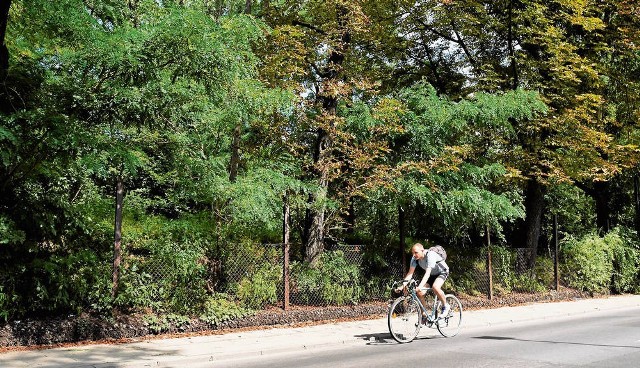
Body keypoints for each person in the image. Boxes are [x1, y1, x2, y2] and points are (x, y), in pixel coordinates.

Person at [400, 243, 450, 322]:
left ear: (422, 250)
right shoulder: (414, 259)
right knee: (420, 293)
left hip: (442, 272)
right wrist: (402, 286)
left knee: (435, 287)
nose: (414, 255)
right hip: (432, 275)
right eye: (412, 253)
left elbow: (427, 273)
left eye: (416, 252)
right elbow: (410, 274)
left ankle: (445, 306)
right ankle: (424, 316)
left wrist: (420, 286)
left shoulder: (430, 255)